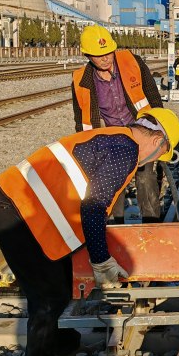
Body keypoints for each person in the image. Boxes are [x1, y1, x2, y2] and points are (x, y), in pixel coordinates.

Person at [0, 109, 179, 356]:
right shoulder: (126, 151)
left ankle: (60, 343)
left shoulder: (115, 138)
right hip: (17, 212)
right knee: (46, 299)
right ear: (158, 141)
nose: (153, 161)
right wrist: (101, 260)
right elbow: (94, 206)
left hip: (21, 208)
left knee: (61, 282)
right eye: (160, 154)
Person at [71, 25, 165, 222]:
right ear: (87, 55)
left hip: (141, 131)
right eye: (99, 55)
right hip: (112, 137)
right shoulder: (81, 81)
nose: (106, 58)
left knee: (145, 178)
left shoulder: (132, 62)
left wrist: (158, 127)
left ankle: (152, 224)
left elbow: (153, 95)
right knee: (114, 182)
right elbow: (81, 120)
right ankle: (115, 227)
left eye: (108, 52)